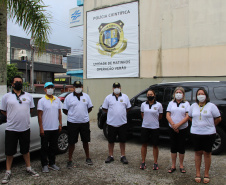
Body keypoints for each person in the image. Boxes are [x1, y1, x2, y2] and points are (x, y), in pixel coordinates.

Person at [0, 75, 39, 184]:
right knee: (9, 152)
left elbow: (31, 109)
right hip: (11, 128)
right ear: (12, 84)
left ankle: (28, 168)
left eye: (20, 82)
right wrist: (12, 116)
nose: (18, 83)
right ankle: (8, 172)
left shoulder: (28, 96)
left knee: (25, 150)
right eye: (16, 82)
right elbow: (3, 110)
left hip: (25, 128)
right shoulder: (6, 97)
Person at [188, 87, 221, 184]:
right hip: (195, 133)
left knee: (207, 154)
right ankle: (198, 173)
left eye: (202, 94)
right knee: (198, 153)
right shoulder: (193, 106)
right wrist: (197, 124)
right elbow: (190, 117)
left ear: (206, 96)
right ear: (196, 96)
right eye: (199, 94)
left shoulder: (211, 106)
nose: (200, 96)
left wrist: (210, 125)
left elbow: (218, 118)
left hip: (209, 134)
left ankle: (206, 174)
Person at [63, 81, 93, 168]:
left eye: (80, 86)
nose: (78, 88)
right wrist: (72, 115)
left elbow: (90, 108)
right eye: (76, 86)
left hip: (84, 122)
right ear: (73, 87)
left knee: (86, 141)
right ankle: (69, 160)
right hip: (72, 123)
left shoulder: (86, 96)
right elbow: (65, 110)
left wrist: (83, 114)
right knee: (71, 142)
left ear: (82, 87)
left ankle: (88, 157)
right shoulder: (68, 97)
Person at [102, 82, 131, 164]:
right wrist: (112, 113)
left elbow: (128, 108)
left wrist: (121, 112)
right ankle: (110, 156)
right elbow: (104, 108)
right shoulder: (108, 97)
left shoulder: (125, 97)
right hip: (111, 123)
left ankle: (123, 156)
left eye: (118, 87)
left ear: (120, 88)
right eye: (115, 87)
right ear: (113, 88)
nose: (116, 88)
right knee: (111, 141)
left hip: (122, 123)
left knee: (122, 141)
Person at [37, 82, 62, 173]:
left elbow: (59, 113)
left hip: (55, 128)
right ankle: (44, 164)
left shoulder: (57, 100)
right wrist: (41, 128)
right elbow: (39, 115)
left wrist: (60, 124)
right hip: (46, 129)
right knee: (44, 148)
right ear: (45, 89)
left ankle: (52, 163)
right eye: (48, 87)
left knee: (53, 147)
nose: (50, 89)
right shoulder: (41, 101)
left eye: (52, 87)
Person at [166, 87, 190, 174]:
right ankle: (173, 166)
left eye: (180, 92)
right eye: (177, 92)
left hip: (183, 128)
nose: (178, 94)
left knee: (181, 147)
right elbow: (168, 115)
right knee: (173, 147)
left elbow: (187, 116)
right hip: (172, 128)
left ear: (183, 94)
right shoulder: (171, 103)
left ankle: (181, 165)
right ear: (174, 94)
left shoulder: (186, 103)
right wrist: (173, 125)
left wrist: (178, 125)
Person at [140, 90, 163, 170]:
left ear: (154, 95)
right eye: (148, 94)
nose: (150, 95)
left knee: (155, 145)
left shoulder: (159, 105)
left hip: (155, 127)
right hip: (145, 127)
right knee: (144, 144)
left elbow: (160, 116)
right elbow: (142, 114)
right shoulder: (143, 104)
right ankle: (143, 161)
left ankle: (155, 162)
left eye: (151, 94)